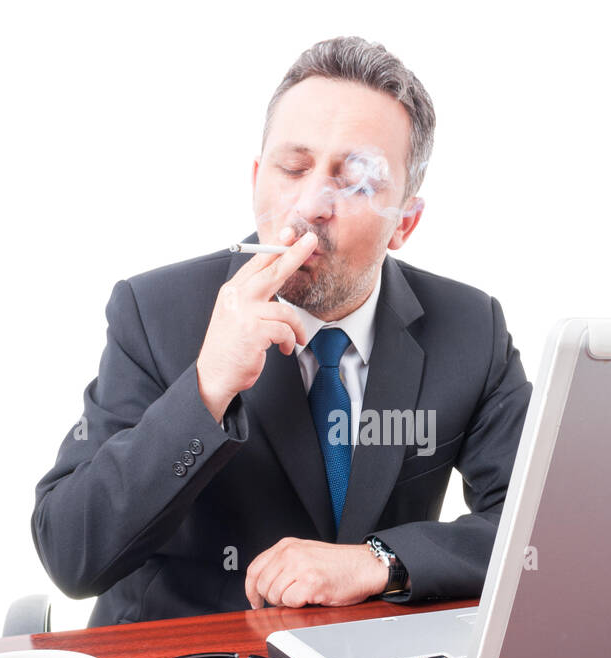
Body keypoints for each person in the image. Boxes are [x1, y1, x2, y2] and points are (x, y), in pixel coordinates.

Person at [32, 36, 531, 627]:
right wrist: (207, 387)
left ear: (405, 223)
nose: (312, 204)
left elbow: (542, 530)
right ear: (256, 179)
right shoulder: (153, 311)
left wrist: (380, 562)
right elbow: (71, 555)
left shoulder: (472, 327)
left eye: (359, 182)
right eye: (292, 169)